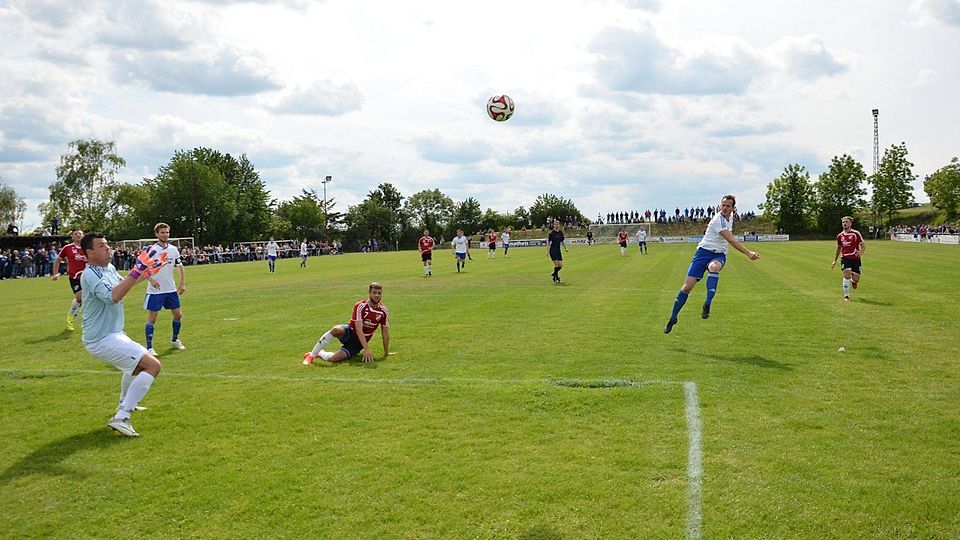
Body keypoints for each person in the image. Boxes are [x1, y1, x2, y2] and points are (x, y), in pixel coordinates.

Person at [80, 232, 166, 437]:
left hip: (112, 333)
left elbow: (123, 285)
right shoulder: (90, 274)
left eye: (107, 244)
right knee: (152, 365)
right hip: (101, 338)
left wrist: (146, 272)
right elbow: (114, 296)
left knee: (136, 366)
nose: (108, 248)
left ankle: (126, 404)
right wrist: (136, 271)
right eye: (101, 245)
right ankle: (122, 416)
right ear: (89, 253)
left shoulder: (108, 268)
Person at [664, 195, 760, 334]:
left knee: (714, 268)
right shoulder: (717, 220)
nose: (725, 208)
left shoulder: (730, 217)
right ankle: (673, 318)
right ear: (720, 206)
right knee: (686, 287)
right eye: (723, 205)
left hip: (719, 254)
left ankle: (707, 304)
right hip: (703, 253)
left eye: (728, 206)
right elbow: (731, 240)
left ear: (733, 208)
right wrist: (748, 253)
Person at [302, 282, 390, 365]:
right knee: (336, 330)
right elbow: (359, 329)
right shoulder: (360, 306)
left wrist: (386, 353)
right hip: (350, 332)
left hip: (358, 343)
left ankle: (320, 353)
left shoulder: (383, 310)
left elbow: (385, 332)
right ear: (369, 293)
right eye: (374, 293)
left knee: (334, 359)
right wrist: (367, 349)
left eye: (379, 293)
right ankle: (311, 356)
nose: (377, 295)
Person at [144, 223, 186, 356]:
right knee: (153, 318)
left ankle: (175, 339)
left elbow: (180, 266)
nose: (165, 234)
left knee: (178, 315)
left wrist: (182, 284)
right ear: (156, 234)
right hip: (155, 290)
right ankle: (149, 347)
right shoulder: (151, 250)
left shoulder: (173, 249)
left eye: (167, 232)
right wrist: (152, 280)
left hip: (170, 289)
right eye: (162, 232)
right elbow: (143, 268)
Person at [52, 228, 87, 331]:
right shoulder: (67, 248)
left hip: (88, 277)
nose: (78, 235)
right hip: (75, 277)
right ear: (72, 236)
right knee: (80, 298)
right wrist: (55, 273)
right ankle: (70, 319)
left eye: (80, 234)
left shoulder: (88, 247)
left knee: (87, 300)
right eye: (76, 234)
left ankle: (83, 322)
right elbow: (57, 260)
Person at [831, 216, 865, 302]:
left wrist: (860, 253)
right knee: (846, 275)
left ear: (850, 223)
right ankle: (846, 296)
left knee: (856, 279)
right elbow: (838, 248)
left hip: (855, 259)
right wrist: (835, 260)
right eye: (843, 222)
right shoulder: (840, 236)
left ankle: (854, 282)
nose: (844, 223)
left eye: (846, 222)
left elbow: (863, 246)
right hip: (845, 258)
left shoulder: (856, 233)